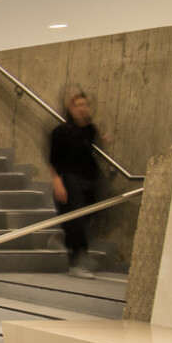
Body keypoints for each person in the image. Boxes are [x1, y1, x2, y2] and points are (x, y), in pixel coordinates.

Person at [47, 89, 114, 279]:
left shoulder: (90, 129)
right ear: (70, 109)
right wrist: (57, 182)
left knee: (91, 216)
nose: (82, 109)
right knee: (77, 219)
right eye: (77, 106)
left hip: (90, 178)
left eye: (84, 105)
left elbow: (94, 130)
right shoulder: (60, 132)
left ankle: (63, 237)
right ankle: (76, 264)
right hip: (69, 179)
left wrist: (105, 136)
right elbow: (54, 159)